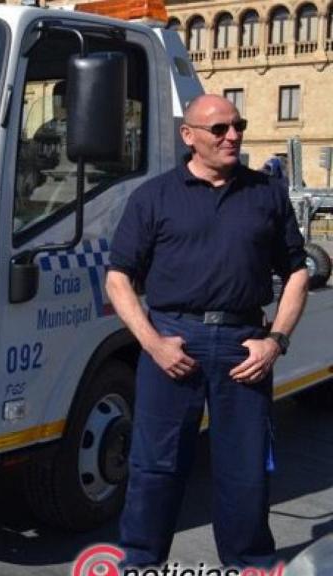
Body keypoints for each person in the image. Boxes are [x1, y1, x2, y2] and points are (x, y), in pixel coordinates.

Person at [106, 94, 309, 568]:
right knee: (155, 466)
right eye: (219, 129)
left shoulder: (266, 194)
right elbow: (118, 278)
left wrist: (275, 341)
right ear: (189, 136)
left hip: (244, 348)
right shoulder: (154, 196)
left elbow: (298, 272)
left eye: (238, 125)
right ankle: (141, 562)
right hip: (173, 343)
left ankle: (249, 563)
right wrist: (152, 343)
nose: (233, 135)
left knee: (245, 471)